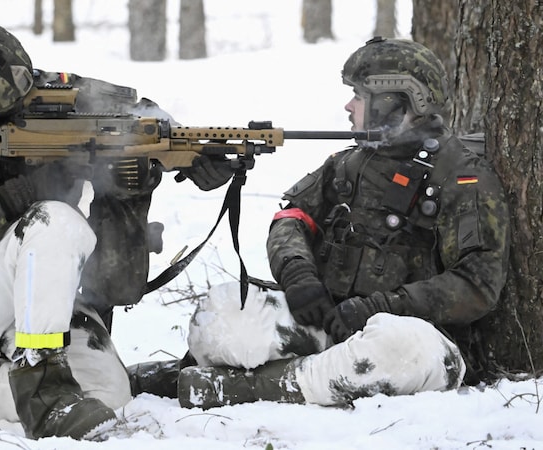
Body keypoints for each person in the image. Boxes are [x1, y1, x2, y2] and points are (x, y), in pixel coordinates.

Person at [0, 8, 233, 440]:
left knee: (107, 393)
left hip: (37, 294)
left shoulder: (42, 96)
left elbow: (131, 111)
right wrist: (27, 190)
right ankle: (43, 395)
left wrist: (172, 156)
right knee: (54, 221)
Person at [176, 37, 510, 409]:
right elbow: (291, 217)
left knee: (400, 350)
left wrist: (381, 307)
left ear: (393, 102)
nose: (349, 106)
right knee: (223, 312)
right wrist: (299, 276)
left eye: (359, 95)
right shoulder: (348, 164)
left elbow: (477, 284)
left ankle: (244, 387)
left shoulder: (462, 178)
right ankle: (311, 373)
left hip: (419, 338)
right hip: (330, 324)